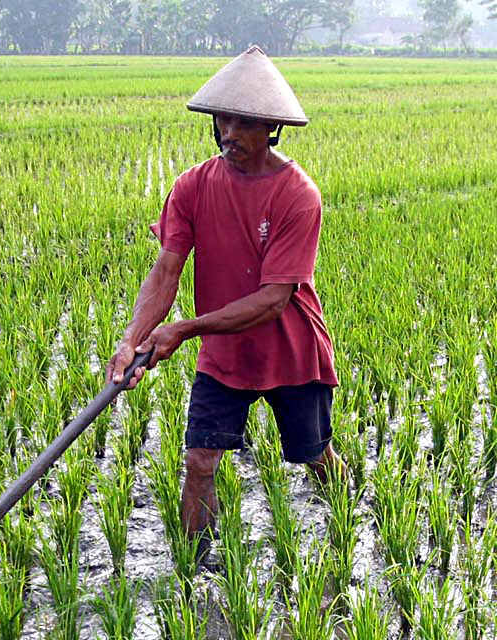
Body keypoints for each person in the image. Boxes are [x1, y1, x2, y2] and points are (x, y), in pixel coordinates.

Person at [108, 46, 340, 545]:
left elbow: (274, 299)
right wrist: (133, 339)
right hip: (224, 354)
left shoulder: (298, 195)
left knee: (314, 454)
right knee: (199, 460)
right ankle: (197, 567)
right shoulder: (191, 186)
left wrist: (186, 329)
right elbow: (166, 270)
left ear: (271, 128)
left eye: (243, 123)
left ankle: (347, 527)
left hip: (291, 351)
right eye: (223, 120)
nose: (229, 133)